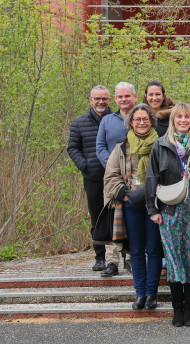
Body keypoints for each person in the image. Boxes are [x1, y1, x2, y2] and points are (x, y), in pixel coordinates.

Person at [145, 103, 190, 327]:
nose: (183, 120)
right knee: (174, 260)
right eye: (179, 117)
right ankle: (177, 309)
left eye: (187, 117)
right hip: (170, 210)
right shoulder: (161, 144)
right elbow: (151, 178)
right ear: (173, 120)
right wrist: (152, 210)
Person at [102, 103, 161, 310]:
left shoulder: (161, 145)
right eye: (137, 119)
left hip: (155, 204)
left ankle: (152, 294)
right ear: (131, 122)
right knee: (136, 250)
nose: (142, 122)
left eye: (146, 119)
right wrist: (125, 196)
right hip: (130, 203)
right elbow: (110, 177)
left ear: (152, 121)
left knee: (154, 250)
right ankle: (140, 293)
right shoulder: (121, 147)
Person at [68, 85, 112, 271]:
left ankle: (124, 256)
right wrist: (84, 165)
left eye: (104, 99)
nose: (101, 102)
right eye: (97, 98)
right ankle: (100, 257)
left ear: (110, 100)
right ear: (91, 100)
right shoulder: (79, 123)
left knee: (120, 217)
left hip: (116, 178)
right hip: (93, 178)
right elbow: (72, 148)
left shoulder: (117, 120)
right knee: (97, 218)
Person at [96, 81, 138, 277]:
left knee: (132, 216)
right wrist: (112, 168)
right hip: (112, 176)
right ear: (115, 99)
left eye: (127, 96)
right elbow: (100, 147)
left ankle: (131, 259)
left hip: (136, 175)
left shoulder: (141, 117)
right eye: (120, 96)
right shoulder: (107, 120)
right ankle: (112, 261)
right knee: (112, 216)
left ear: (135, 97)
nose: (123, 99)